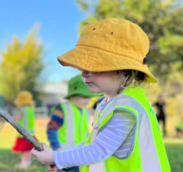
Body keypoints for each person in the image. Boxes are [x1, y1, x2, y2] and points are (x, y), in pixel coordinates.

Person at [32, 18, 171, 172]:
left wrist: (56, 158)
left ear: (126, 70)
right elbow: (92, 142)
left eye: (96, 67)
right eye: (83, 66)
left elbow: (99, 150)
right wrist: (64, 157)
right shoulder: (116, 101)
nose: (84, 73)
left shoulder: (127, 106)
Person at [46, 75, 101, 172]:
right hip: (65, 154)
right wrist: (57, 148)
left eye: (89, 97)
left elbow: (85, 132)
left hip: (79, 155)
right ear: (72, 95)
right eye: (84, 96)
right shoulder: (62, 109)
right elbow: (51, 129)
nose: (88, 101)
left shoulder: (85, 111)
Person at [11, 91, 37, 168]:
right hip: (31, 134)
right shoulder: (30, 109)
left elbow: (18, 117)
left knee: (24, 150)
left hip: (23, 134)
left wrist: (10, 117)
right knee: (28, 150)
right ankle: (28, 161)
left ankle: (24, 162)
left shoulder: (22, 110)